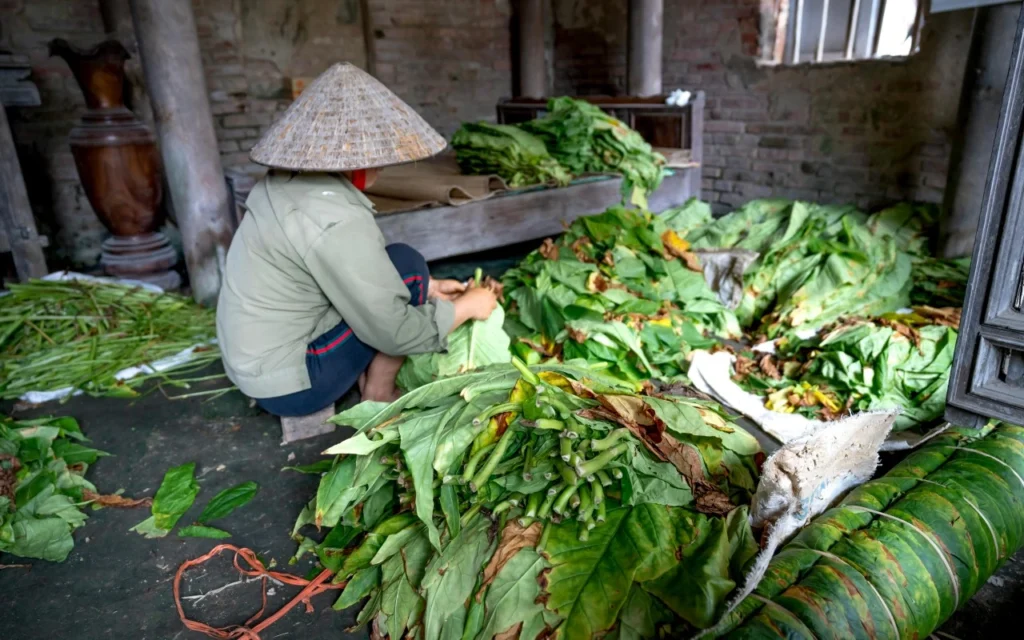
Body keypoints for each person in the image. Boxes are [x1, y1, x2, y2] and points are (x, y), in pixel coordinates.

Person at [216, 63, 498, 417]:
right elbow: (396, 332)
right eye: (377, 159)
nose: (381, 169)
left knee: (405, 270)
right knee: (407, 267)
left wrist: (430, 287)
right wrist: (469, 306)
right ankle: (378, 392)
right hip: (292, 386)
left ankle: (376, 372)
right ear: (353, 163)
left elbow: (340, 275)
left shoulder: (284, 183)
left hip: (252, 362)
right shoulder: (335, 218)